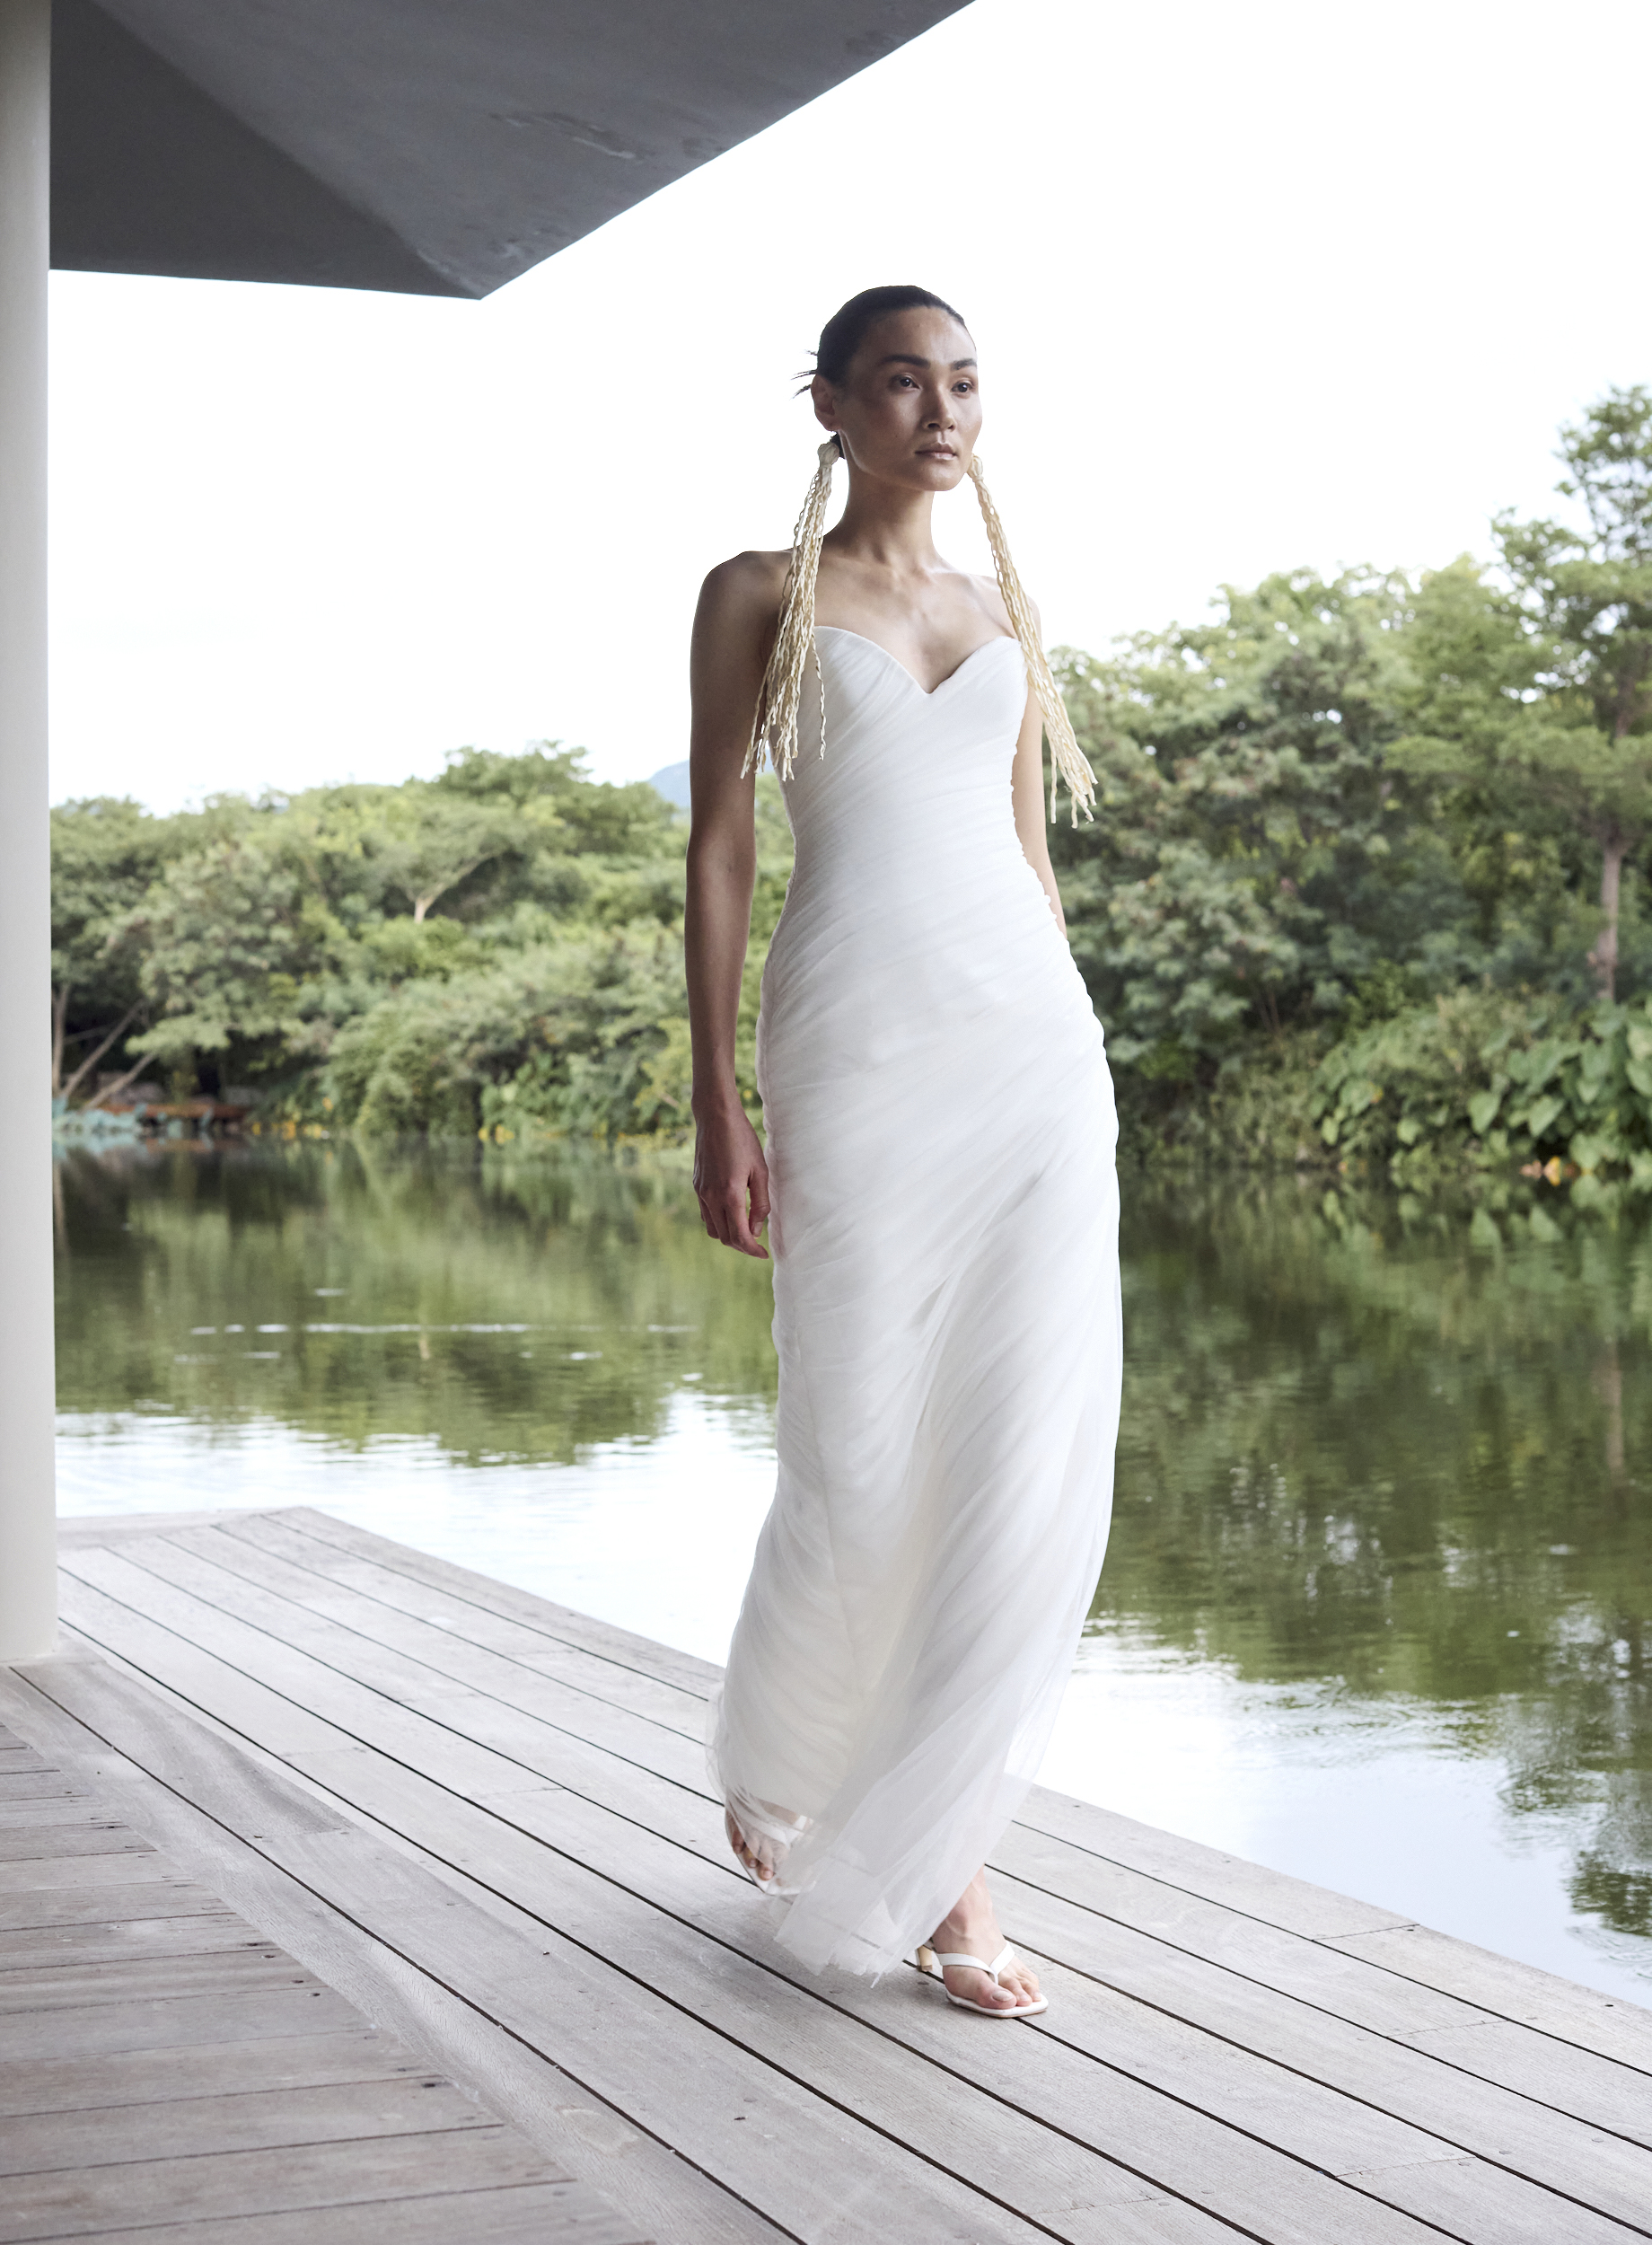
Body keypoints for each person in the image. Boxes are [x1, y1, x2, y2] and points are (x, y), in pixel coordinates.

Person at [685, 285, 1121, 2017]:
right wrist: (715, 1094)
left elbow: (1025, 852)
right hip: (854, 1055)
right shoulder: (760, 598)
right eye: (901, 381)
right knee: (857, 1451)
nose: (942, 411)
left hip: (1029, 1061)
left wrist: (1081, 1045)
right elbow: (720, 841)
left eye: (962, 381)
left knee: (1013, 1463)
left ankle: (951, 1874)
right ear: (831, 407)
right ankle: (792, 1748)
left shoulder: (1003, 603)